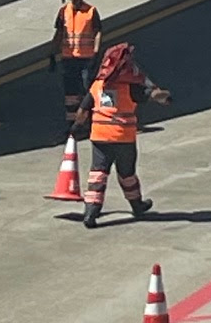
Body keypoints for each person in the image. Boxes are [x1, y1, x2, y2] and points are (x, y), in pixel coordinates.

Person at [70, 41, 170, 229]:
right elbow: (154, 95)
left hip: (99, 136)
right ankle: (137, 205)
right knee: (127, 174)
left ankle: (91, 211)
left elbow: (83, 110)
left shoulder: (97, 85)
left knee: (98, 173)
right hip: (123, 137)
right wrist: (164, 96)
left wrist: (76, 127)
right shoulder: (130, 88)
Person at [49, 0, 102, 132]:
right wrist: (52, 53)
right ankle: (73, 125)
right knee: (70, 93)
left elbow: (98, 31)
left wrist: (96, 52)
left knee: (87, 88)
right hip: (69, 58)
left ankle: (91, 120)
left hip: (86, 58)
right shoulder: (63, 12)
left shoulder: (91, 11)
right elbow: (59, 34)